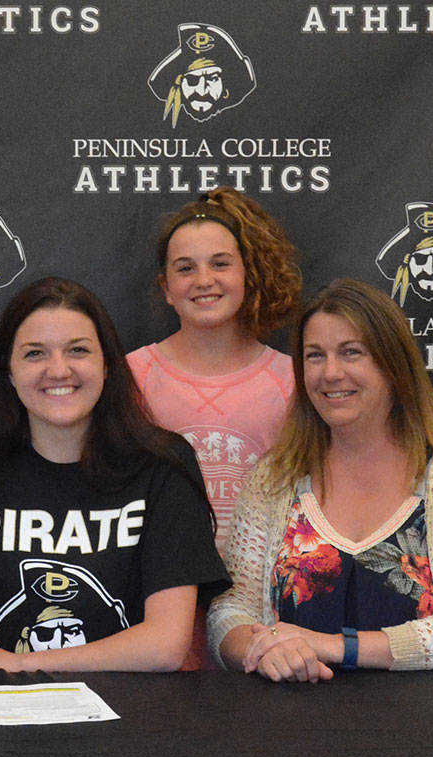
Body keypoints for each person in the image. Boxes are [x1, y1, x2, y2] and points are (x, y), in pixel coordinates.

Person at [0, 276, 227, 688]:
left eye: (78, 350)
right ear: (8, 369)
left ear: (107, 363)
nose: (58, 370)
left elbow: (165, 645)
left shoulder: (162, 467)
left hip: (131, 722)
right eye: (35, 353)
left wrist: (14, 661)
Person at [206, 279, 433, 680]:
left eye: (351, 353)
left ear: (393, 365)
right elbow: (230, 609)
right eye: (314, 356)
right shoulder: (273, 479)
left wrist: (331, 646)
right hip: (291, 724)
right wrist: (258, 650)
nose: (331, 373)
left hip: (431, 728)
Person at [129, 188, 303, 668]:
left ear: (248, 274)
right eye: (186, 268)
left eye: (220, 264)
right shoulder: (129, 377)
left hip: (262, 610)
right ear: (166, 286)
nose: (203, 280)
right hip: (155, 606)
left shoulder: (294, 381)